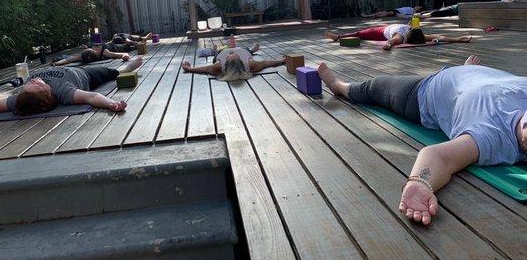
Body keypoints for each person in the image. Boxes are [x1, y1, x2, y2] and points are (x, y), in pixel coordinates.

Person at [317, 56, 527, 226]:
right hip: (469, 77)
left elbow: (438, 157)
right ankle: (463, 70)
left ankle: (340, 86)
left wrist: (420, 182)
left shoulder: (493, 136)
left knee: (374, 87)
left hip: (422, 93)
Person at [0, 58, 143, 119]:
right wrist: (112, 104)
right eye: (35, 84)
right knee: (112, 72)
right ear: (47, 91)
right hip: (86, 75)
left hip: (68, 67)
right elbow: (92, 97)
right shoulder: (64, 91)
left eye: (28, 84)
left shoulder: (18, 99)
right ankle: (126, 68)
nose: (33, 80)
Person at [182, 43, 285, 80]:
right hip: (244, 51)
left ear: (225, 64)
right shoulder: (251, 65)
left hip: (221, 54)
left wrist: (189, 68)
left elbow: (205, 68)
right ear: (241, 62)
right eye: (234, 55)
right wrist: (282, 60)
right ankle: (252, 50)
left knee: (219, 52)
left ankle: (216, 50)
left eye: (230, 56)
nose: (231, 52)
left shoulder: (218, 66)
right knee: (245, 51)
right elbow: (265, 63)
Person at [325, 24, 472, 50]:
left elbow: (440, 36)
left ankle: (338, 36)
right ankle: (338, 37)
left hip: (395, 26)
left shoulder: (419, 34)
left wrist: (458, 39)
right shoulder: (400, 37)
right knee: (360, 34)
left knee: (360, 34)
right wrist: (388, 45)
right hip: (382, 31)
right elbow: (390, 42)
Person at [51, 45, 131, 66]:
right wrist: (57, 63)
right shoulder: (83, 56)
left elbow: (123, 54)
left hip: (115, 46)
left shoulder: (105, 52)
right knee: (66, 57)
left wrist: (125, 56)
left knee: (129, 46)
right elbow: (68, 60)